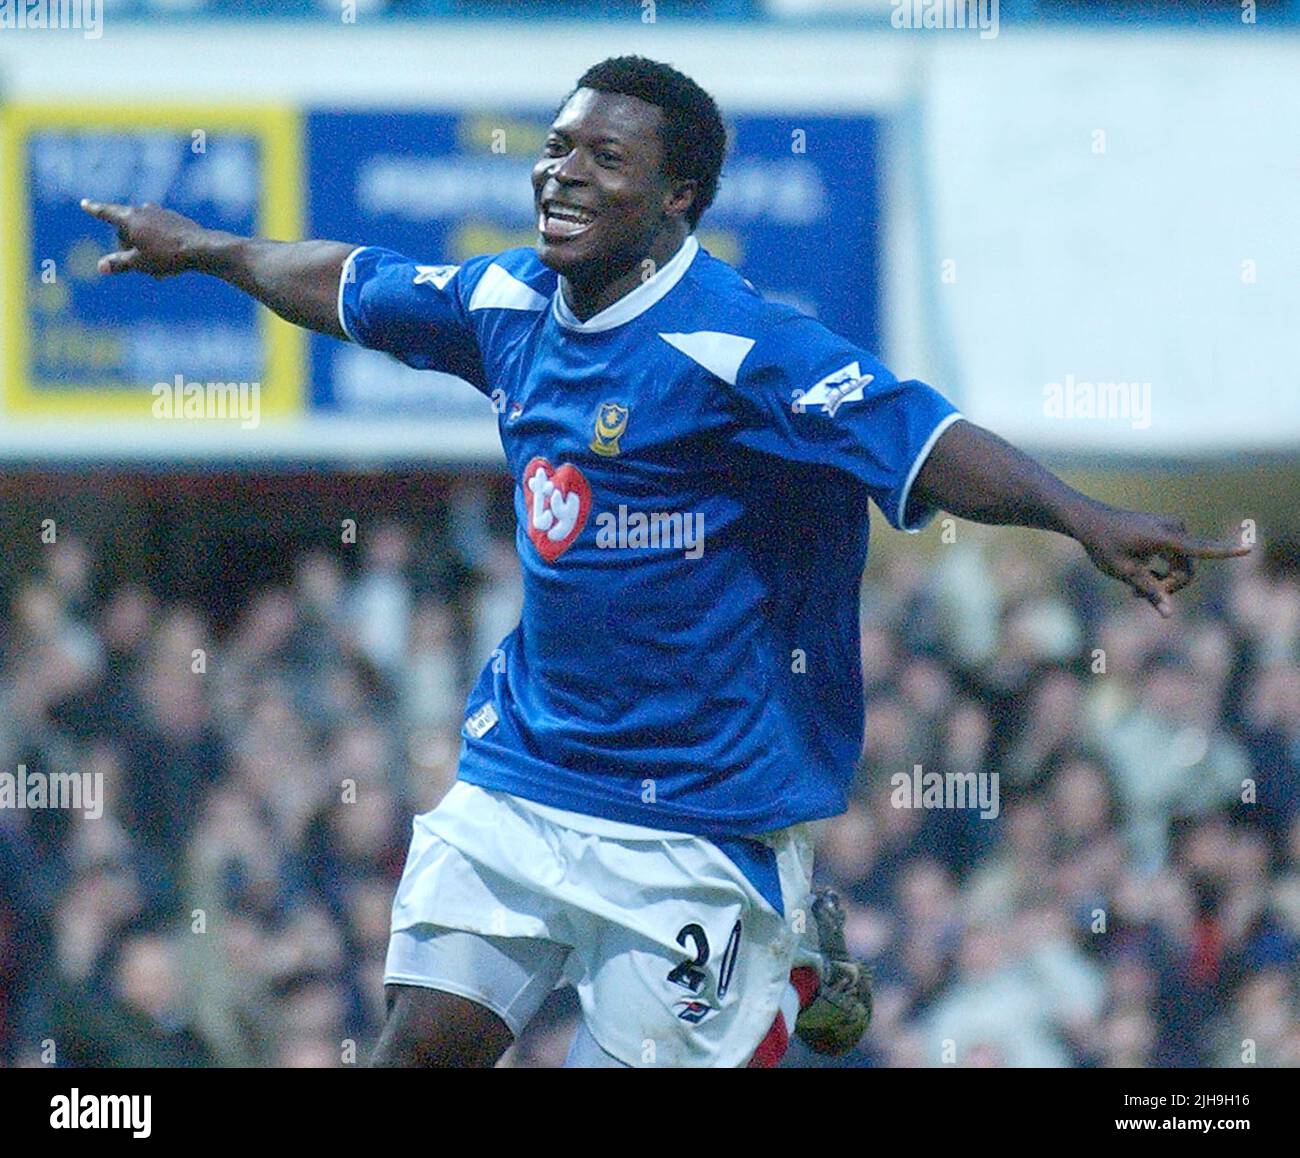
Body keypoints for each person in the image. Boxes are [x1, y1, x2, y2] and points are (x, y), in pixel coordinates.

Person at [82, 55, 1248, 1068]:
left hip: (700, 822)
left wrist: (1081, 516)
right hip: (527, 779)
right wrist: (203, 250)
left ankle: (783, 955)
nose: (562, 172)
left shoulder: (741, 345)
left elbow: (924, 440)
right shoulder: (506, 301)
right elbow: (346, 283)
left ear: (675, 197)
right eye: (553, 147)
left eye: (604, 157)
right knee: (416, 1050)